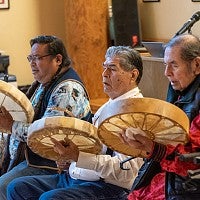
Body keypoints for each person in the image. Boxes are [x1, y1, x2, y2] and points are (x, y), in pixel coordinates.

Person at [7, 46, 144, 200]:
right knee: (18, 188)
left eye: (112, 69)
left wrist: (79, 158)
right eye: (104, 67)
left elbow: (128, 171)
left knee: (50, 198)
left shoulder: (133, 113)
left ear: (133, 75)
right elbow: (97, 150)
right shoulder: (110, 104)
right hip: (77, 177)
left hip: (108, 187)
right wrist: (71, 161)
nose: (104, 74)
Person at [0, 35, 92, 200]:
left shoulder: (67, 89)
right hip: (34, 159)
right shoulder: (44, 83)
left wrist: (11, 125)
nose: (32, 63)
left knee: (2, 186)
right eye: (30, 58)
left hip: (51, 165)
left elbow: (47, 136)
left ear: (57, 59)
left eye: (38, 58)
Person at [121, 34, 200, 200]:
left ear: (197, 65)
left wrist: (153, 147)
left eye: (174, 65)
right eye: (165, 65)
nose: (166, 72)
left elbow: (192, 159)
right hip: (166, 178)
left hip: (186, 187)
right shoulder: (178, 92)